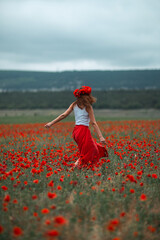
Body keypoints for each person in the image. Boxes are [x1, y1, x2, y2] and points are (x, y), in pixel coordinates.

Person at [45, 86, 108, 170]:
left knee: (90, 150)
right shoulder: (88, 106)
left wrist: (51, 123)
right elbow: (93, 123)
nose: (90, 96)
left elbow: (63, 115)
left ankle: (78, 167)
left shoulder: (74, 104)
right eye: (88, 95)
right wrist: (101, 137)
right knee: (92, 151)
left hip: (76, 131)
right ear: (86, 96)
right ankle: (80, 169)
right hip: (83, 131)